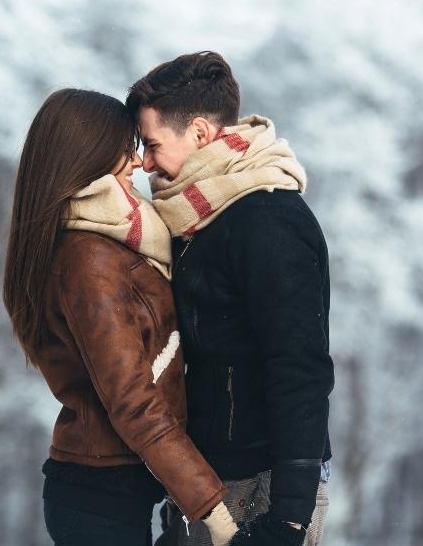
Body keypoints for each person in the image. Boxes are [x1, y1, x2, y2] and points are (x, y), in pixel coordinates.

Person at [3, 89, 239, 546]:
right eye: (125, 146)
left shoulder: (99, 242)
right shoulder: (89, 257)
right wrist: (210, 504)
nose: (137, 161)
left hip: (109, 493)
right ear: (90, 152)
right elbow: (131, 398)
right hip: (100, 501)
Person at [125, 52, 334, 546]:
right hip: (209, 479)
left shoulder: (268, 220)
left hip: (263, 486)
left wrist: (289, 517)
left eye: (153, 145)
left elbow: (300, 366)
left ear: (200, 133)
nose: (145, 162)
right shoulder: (199, 217)